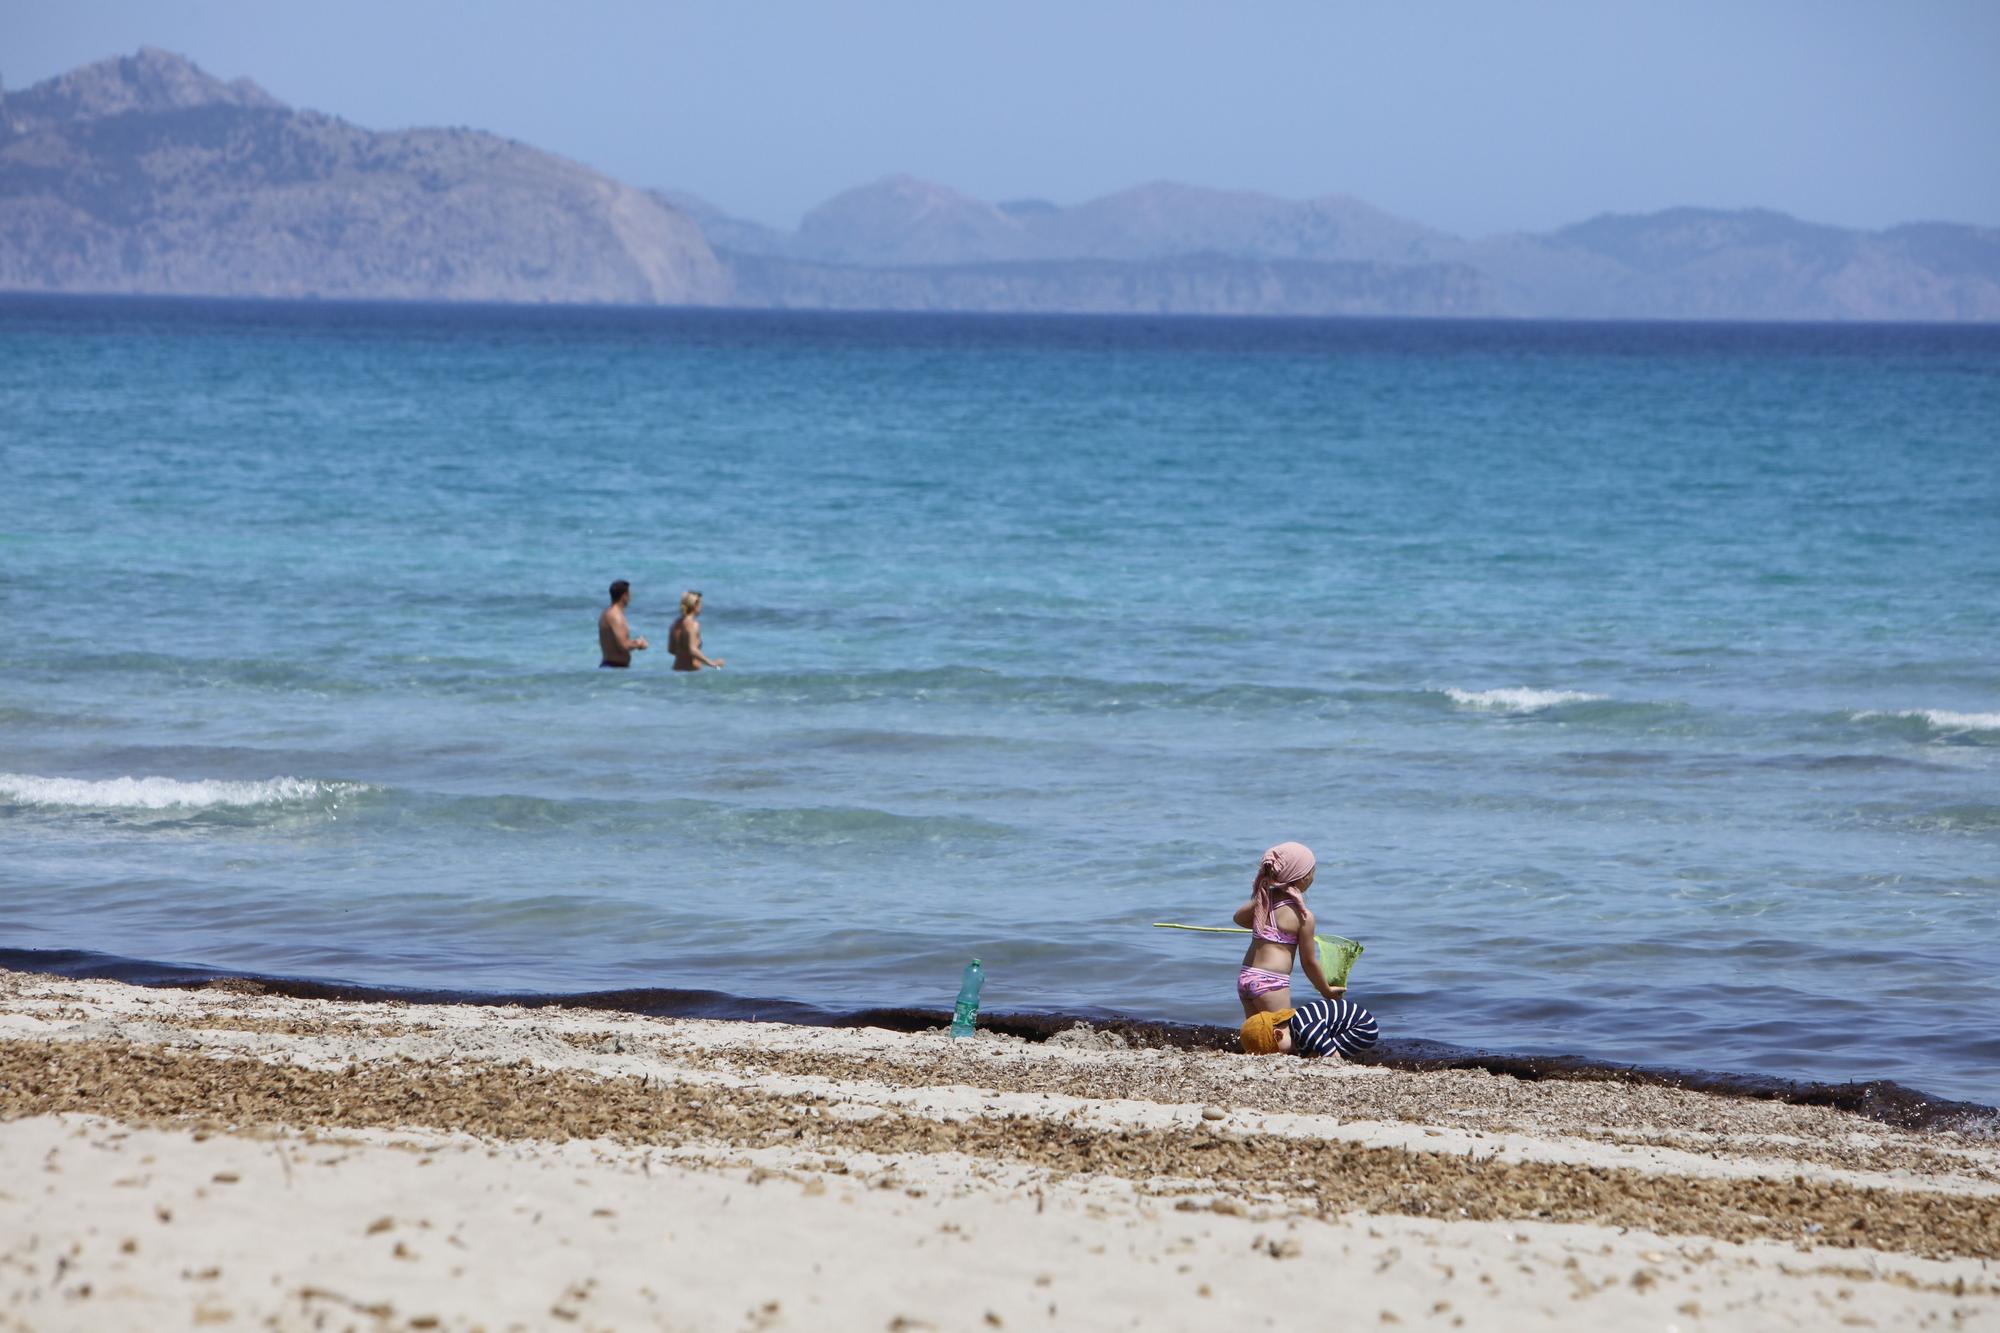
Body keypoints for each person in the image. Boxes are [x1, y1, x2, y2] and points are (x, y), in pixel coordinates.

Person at [1232, 841, 1343, 1017]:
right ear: (1303, 878)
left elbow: (1238, 918)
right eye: (1312, 872)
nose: (1312, 877)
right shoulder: (1303, 916)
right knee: (1282, 1035)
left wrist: (1262, 922)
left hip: (1247, 976)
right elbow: (1308, 962)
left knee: (1257, 1034)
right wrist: (1326, 990)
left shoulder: (1264, 900)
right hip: (1271, 982)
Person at [1239, 997, 1379, 1059]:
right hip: (1346, 1025)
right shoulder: (1295, 1024)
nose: (1283, 1056)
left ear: (1278, 1034)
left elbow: (1333, 1057)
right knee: (1310, 1052)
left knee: (1325, 1055)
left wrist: (1329, 1056)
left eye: (1279, 1052)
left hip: (1363, 1028)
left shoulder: (1306, 1028)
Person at [667, 590, 724, 672]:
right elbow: (692, 650)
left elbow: (671, 650)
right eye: (700, 604)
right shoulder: (693, 624)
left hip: (676, 669)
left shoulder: (675, 623)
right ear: (695, 605)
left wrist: (683, 655)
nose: (701, 606)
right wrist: (713, 663)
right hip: (692, 672)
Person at [597, 580, 648, 669]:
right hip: (614, 668)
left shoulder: (606, 613)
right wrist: (639, 644)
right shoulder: (616, 616)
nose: (630, 598)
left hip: (609, 666)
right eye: (629, 594)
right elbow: (624, 645)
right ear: (624, 596)